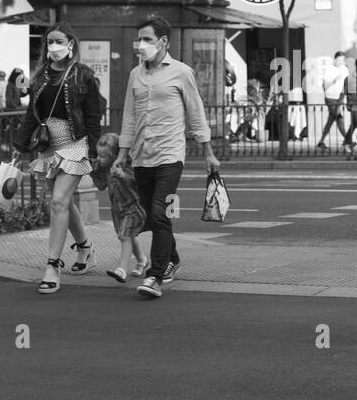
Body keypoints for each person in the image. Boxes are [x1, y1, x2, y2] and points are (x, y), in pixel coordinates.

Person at [114, 15, 220, 300]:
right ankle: (171, 257)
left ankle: (155, 275)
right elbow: (129, 116)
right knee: (151, 216)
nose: (141, 44)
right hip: (141, 156)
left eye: (147, 39)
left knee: (161, 212)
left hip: (170, 155)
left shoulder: (182, 72)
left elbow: (196, 113)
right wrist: (122, 153)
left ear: (163, 41)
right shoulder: (135, 74)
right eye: (140, 39)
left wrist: (207, 151)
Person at [13, 23, 104, 293]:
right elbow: (32, 114)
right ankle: (86, 247)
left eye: (58, 41)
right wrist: (20, 145)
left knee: (57, 201)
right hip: (49, 144)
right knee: (61, 202)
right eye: (49, 41)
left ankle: (52, 265)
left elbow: (92, 115)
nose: (53, 46)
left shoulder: (83, 75)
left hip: (75, 141)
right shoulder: (40, 75)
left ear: (70, 44)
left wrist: (95, 149)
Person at [92, 133, 148, 284]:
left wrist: (122, 175)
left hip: (133, 208)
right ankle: (142, 260)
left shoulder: (125, 165)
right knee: (128, 236)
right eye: (98, 155)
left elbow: (136, 182)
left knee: (125, 236)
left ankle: (122, 270)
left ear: (114, 155)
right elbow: (101, 186)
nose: (99, 159)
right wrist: (94, 172)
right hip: (118, 211)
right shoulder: (104, 169)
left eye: (102, 156)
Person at [315, 52, 348, 149]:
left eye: (342, 60)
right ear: (335, 59)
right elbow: (324, 85)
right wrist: (334, 80)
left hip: (339, 98)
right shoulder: (329, 69)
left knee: (331, 120)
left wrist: (343, 97)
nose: (341, 62)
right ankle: (348, 140)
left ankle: (321, 141)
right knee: (338, 118)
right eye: (339, 60)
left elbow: (346, 85)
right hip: (330, 97)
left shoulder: (344, 69)